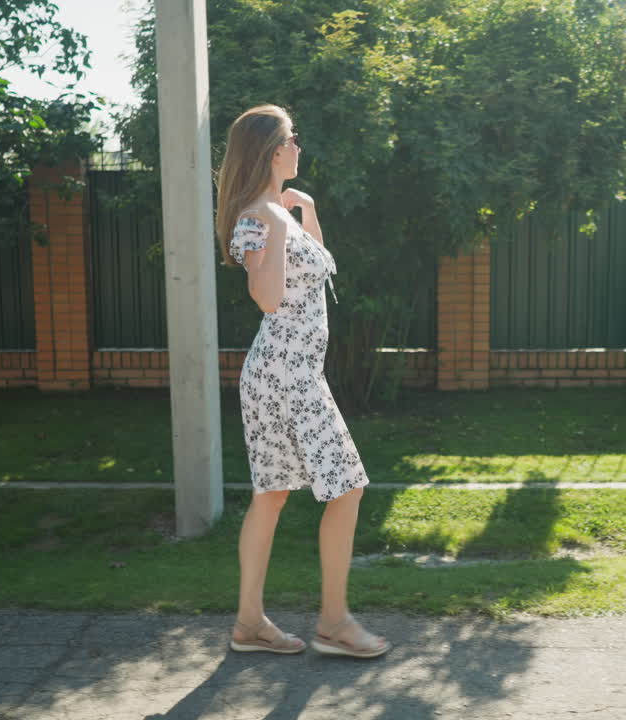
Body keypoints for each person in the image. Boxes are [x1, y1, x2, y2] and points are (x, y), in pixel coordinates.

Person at [214, 104, 391, 659]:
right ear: (271, 150)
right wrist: (272, 222)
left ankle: (249, 624)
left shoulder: (281, 210)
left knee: (271, 496)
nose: (298, 145)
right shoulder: (254, 217)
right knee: (348, 485)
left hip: (286, 372)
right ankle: (334, 622)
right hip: (286, 374)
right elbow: (267, 298)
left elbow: (319, 267)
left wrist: (305, 211)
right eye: (292, 137)